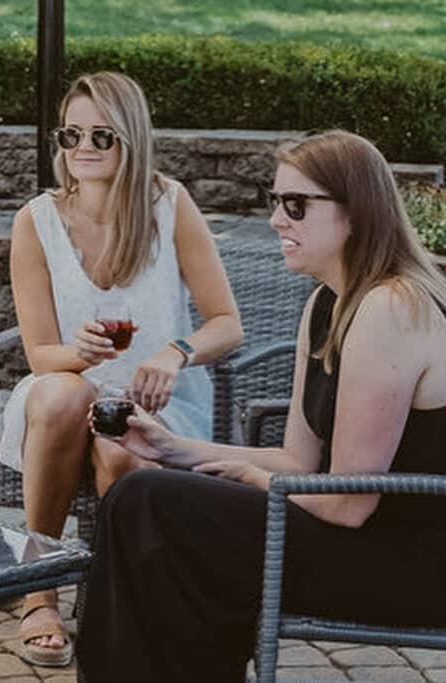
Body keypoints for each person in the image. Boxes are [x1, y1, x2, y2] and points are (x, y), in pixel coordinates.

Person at [76, 129, 446, 682]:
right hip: (345, 534)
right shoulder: (330, 301)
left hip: (407, 565)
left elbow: (349, 505)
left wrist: (250, 479)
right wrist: (174, 449)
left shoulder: (390, 308)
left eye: (296, 205)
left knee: (146, 502)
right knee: (149, 496)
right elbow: (298, 461)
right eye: (275, 202)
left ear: (357, 211)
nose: (277, 220)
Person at [0, 71, 243, 667]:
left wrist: (175, 351)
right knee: (60, 394)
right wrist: (80, 355)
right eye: (70, 134)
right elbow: (40, 356)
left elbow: (226, 322)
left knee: (120, 454)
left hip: (157, 401)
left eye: (100, 135)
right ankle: (40, 589)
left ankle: (118, 603)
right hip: (64, 395)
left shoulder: (169, 204)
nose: (81, 147)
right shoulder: (37, 221)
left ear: (129, 138)